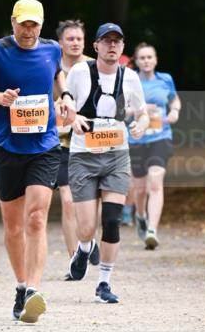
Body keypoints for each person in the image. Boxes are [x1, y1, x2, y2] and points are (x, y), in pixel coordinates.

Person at [0, 0, 75, 323]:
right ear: (13, 22)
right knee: (14, 226)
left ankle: (33, 290)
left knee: (36, 218)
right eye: (23, 24)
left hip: (44, 146)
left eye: (34, 24)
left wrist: (66, 96)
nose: (28, 30)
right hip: (7, 147)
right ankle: (20, 285)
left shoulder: (51, 49)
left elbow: (59, 76)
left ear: (41, 26)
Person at [66, 23, 149, 303]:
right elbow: (64, 106)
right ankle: (84, 246)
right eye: (106, 40)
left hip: (116, 156)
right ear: (96, 46)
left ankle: (104, 283)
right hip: (83, 157)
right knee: (88, 226)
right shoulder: (79, 73)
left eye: (117, 41)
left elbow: (143, 112)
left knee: (111, 221)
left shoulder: (130, 78)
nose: (112, 45)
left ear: (123, 47)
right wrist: (73, 119)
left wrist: (141, 125)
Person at [54, 20, 100, 278]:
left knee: (94, 201)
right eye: (70, 39)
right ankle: (75, 261)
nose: (74, 42)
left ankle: (88, 238)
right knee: (69, 201)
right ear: (61, 43)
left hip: (92, 141)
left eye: (78, 39)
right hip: (61, 143)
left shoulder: (95, 66)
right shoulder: (52, 68)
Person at [129, 42, 181, 249]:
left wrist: (174, 111)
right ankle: (140, 216)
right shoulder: (129, 79)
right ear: (136, 61)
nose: (146, 61)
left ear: (156, 60)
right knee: (139, 190)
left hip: (160, 137)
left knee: (155, 183)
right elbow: (119, 109)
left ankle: (152, 230)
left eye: (149, 57)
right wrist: (138, 110)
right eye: (142, 58)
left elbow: (174, 100)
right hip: (135, 139)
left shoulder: (165, 79)